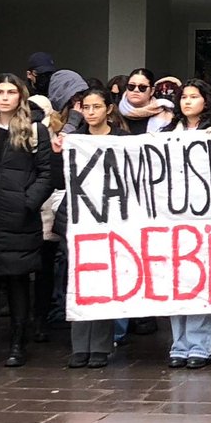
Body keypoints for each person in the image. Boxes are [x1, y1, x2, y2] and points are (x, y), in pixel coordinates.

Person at [0, 73, 54, 368]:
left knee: (18, 283)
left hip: (19, 219)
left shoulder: (35, 130)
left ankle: (18, 344)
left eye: (10, 91)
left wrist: (28, 203)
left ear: (20, 96)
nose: (4, 97)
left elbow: (46, 173)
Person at [61, 87, 117, 370]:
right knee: (81, 282)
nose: (91, 112)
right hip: (80, 219)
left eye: (97, 107)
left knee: (104, 283)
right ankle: (79, 346)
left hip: (112, 220)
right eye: (87, 107)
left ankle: (100, 347)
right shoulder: (74, 140)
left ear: (108, 108)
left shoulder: (123, 140)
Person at [166, 80, 211, 368]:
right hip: (173, 219)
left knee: (201, 280)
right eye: (183, 97)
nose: (187, 102)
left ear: (206, 101)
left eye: (194, 97)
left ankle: (199, 346)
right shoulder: (165, 133)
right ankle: (179, 344)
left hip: (205, 218)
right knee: (178, 282)